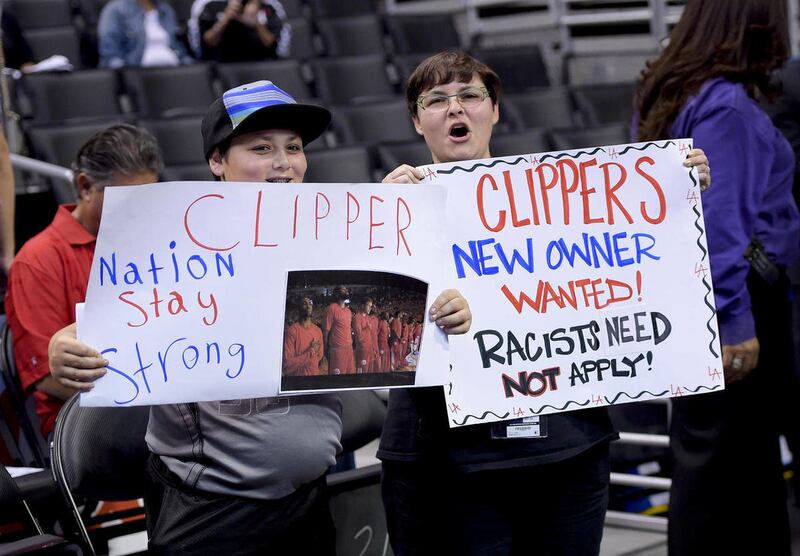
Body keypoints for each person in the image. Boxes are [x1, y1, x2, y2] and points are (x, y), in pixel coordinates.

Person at [48, 80, 472, 554]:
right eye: (261, 147)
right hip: (209, 513)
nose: (283, 162)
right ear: (216, 162)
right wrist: (64, 344)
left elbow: (412, 314)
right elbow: (121, 319)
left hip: (309, 497)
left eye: (293, 147)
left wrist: (404, 226)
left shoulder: (334, 237)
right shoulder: (174, 241)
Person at [379, 51, 711, 556]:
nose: (455, 109)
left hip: (567, 451)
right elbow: (370, 333)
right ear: (416, 119)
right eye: (437, 100)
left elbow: (636, 258)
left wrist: (677, 188)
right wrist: (376, 224)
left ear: (494, 110)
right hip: (441, 461)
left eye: (470, 95)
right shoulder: (385, 207)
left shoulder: (564, 198)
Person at [635, 2, 799, 554]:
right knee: (735, 471)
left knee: (711, 465)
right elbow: (723, 227)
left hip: (693, 291)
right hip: (736, 297)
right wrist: (734, 318)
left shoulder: (672, 90)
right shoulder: (724, 106)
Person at [5, 124, 162, 438]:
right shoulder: (39, 260)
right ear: (85, 186)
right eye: (127, 200)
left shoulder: (159, 242)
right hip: (81, 426)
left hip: (156, 409)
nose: (141, 212)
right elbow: (46, 378)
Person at [98, 0, 193, 68]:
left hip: (174, 67)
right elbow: (110, 55)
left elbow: (177, 47)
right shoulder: (116, 10)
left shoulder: (166, 9)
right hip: (139, 71)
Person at [189, 0, 291, 63]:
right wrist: (225, 20)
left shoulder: (269, 6)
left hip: (261, 65)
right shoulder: (208, 4)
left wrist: (256, 23)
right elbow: (202, 47)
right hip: (221, 65)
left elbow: (278, 49)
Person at [282, 296, 324, 377]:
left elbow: (319, 356)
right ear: (299, 308)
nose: (308, 306)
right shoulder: (292, 331)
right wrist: (310, 352)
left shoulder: (318, 331)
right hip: (297, 380)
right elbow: (287, 364)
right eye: (304, 303)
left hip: (314, 377)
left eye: (310, 304)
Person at [323, 285, 355, 375]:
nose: (346, 291)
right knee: (337, 381)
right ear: (337, 294)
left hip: (349, 348)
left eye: (346, 290)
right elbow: (325, 332)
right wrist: (325, 350)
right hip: (337, 350)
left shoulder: (348, 311)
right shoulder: (331, 308)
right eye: (343, 290)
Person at [353, 297, 374, 374]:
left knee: (368, 371)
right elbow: (358, 336)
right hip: (362, 350)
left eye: (371, 306)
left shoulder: (368, 318)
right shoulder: (357, 317)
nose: (370, 308)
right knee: (362, 371)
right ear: (362, 305)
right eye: (368, 306)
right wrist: (366, 328)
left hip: (369, 348)